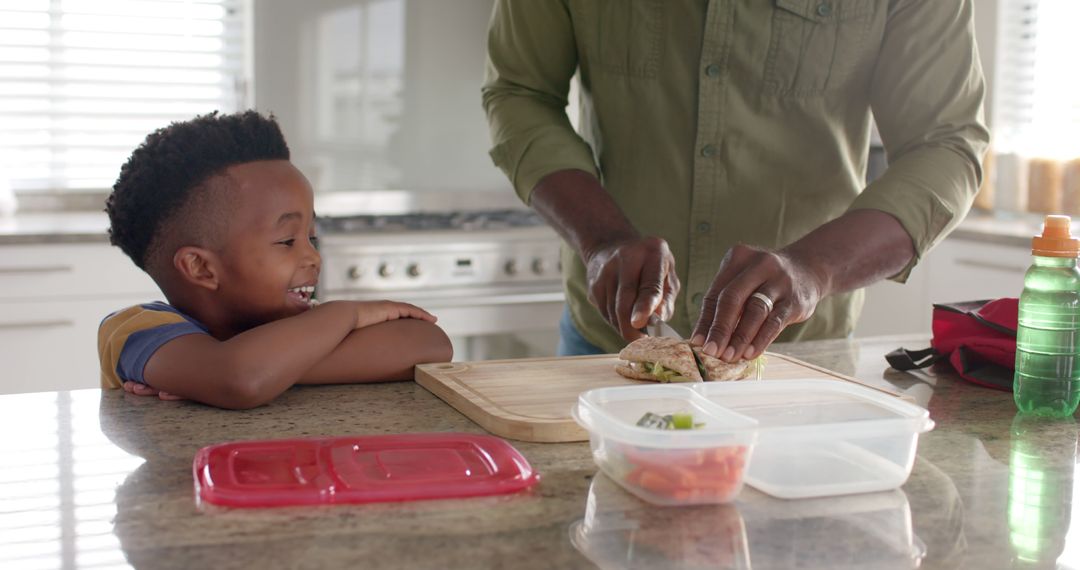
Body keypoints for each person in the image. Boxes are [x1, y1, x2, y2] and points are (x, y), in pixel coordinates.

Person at [481, 0, 990, 360]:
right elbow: (519, 93)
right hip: (607, 345)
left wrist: (815, 268)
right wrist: (602, 239)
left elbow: (946, 144)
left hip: (803, 357)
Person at [99, 111, 453, 409]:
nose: (313, 256)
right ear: (201, 268)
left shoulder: (285, 323)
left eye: (311, 237)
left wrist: (271, 370)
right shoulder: (134, 330)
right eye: (287, 240)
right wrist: (346, 313)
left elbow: (428, 343)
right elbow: (240, 378)